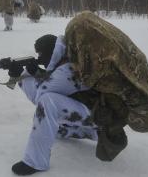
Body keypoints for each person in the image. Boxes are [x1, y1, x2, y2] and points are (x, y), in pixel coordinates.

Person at [7, 34, 97, 175]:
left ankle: (35, 161)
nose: (40, 59)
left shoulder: (69, 69)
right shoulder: (66, 60)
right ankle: (93, 133)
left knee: (48, 102)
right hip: (90, 112)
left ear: (52, 51)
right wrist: (28, 74)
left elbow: (40, 96)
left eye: (41, 54)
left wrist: (24, 75)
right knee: (53, 129)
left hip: (98, 115)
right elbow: (45, 88)